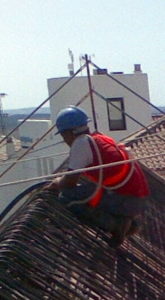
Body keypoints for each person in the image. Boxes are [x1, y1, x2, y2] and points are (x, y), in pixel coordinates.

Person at [46, 106, 149, 247]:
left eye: (64, 136)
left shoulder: (81, 144)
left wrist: (56, 182)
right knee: (87, 192)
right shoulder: (99, 138)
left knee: (67, 196)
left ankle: (117, 225)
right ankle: (129, 223)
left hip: (127, 201)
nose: (66, 141)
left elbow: (68, 183)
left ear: (70, 133)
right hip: (135, 200)